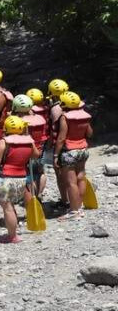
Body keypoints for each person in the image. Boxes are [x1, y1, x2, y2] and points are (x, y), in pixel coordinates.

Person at [0, 116, 40, 243]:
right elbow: (36, 155)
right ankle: (12, 233)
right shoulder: (29, 141)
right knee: (10, 206)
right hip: (21, 176)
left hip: (6, 177)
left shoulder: (3, 142)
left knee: (8, 207)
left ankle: (12, 236)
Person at [54, 91, 93, 220]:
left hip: (70, 151)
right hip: (83, 150)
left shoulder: (65, 117)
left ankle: (74, 211)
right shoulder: (85, 116)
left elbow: (61, 138)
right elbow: (90, 133)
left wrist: (55, 155)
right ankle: (79, 208)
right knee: (81, 178)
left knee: (71, 183)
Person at [12, 94, 48, 199]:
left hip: (28, 151)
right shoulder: (40, 118)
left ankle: (33, 197)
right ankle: (40, 193)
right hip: (40, 149)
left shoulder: (19, 121)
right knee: (41, 172)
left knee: (29, 176)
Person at [46, 78, 70, 209]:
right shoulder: (75, 103)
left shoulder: (56, 108)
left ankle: (65, 200)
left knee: (60, 175)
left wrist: (52, 150)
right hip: (75, 144)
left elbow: (55, 130)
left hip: (61, 145)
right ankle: (75, 198)